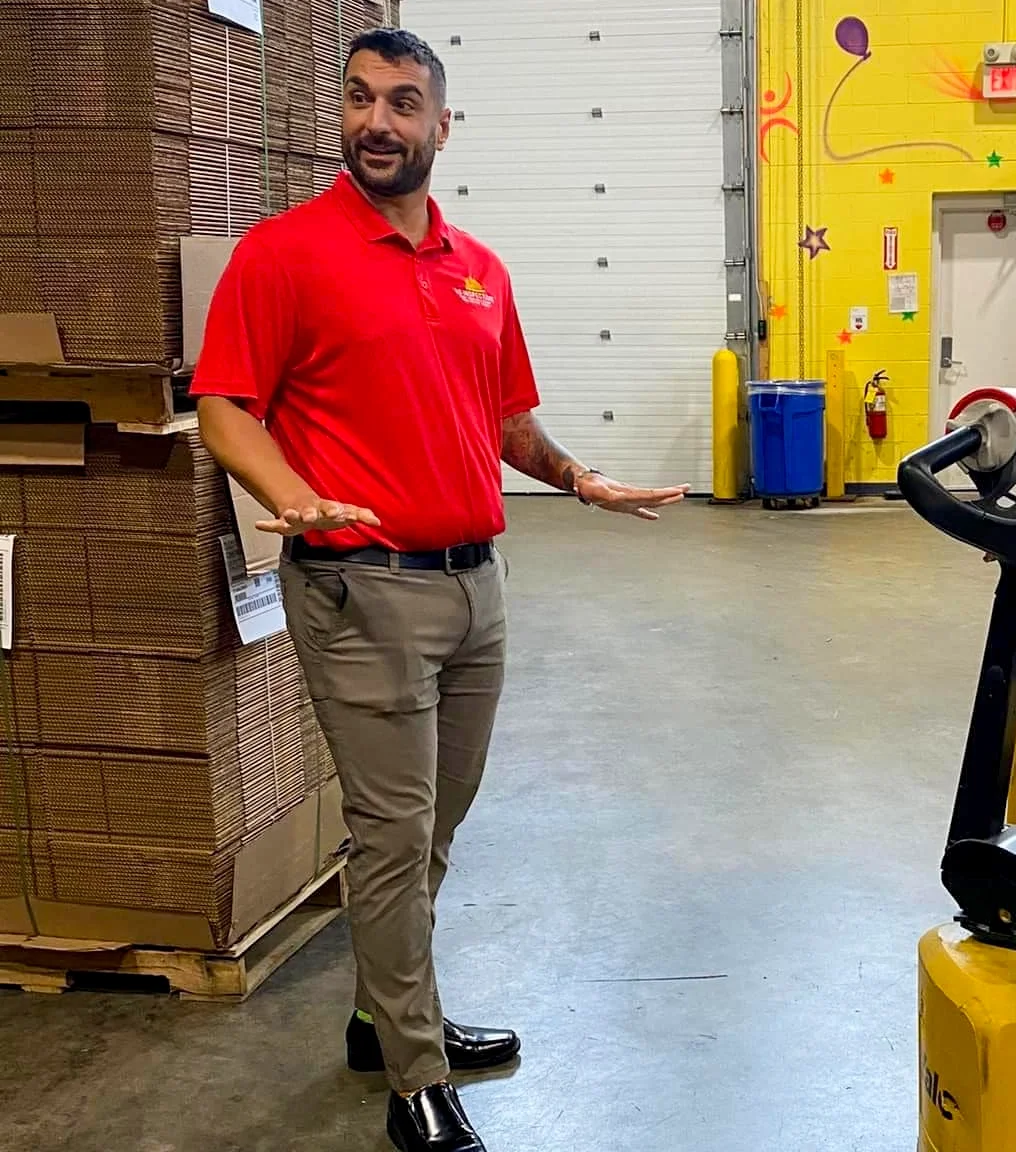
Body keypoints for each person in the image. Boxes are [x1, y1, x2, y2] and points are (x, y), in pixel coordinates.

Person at [191, 27, 688, 1152]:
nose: (379, 121)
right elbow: (225, 405)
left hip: (476, 588)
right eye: (362, 100)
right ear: (345, 116)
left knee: (434, 829)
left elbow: (505, 417)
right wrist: (293, 491)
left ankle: (382, 1012)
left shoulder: (478, 269)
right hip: (362, 590)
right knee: (391, 830)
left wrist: (577, 476)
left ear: (442, 125)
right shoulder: (284, 253)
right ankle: (413, 1080)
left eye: (404, 102)